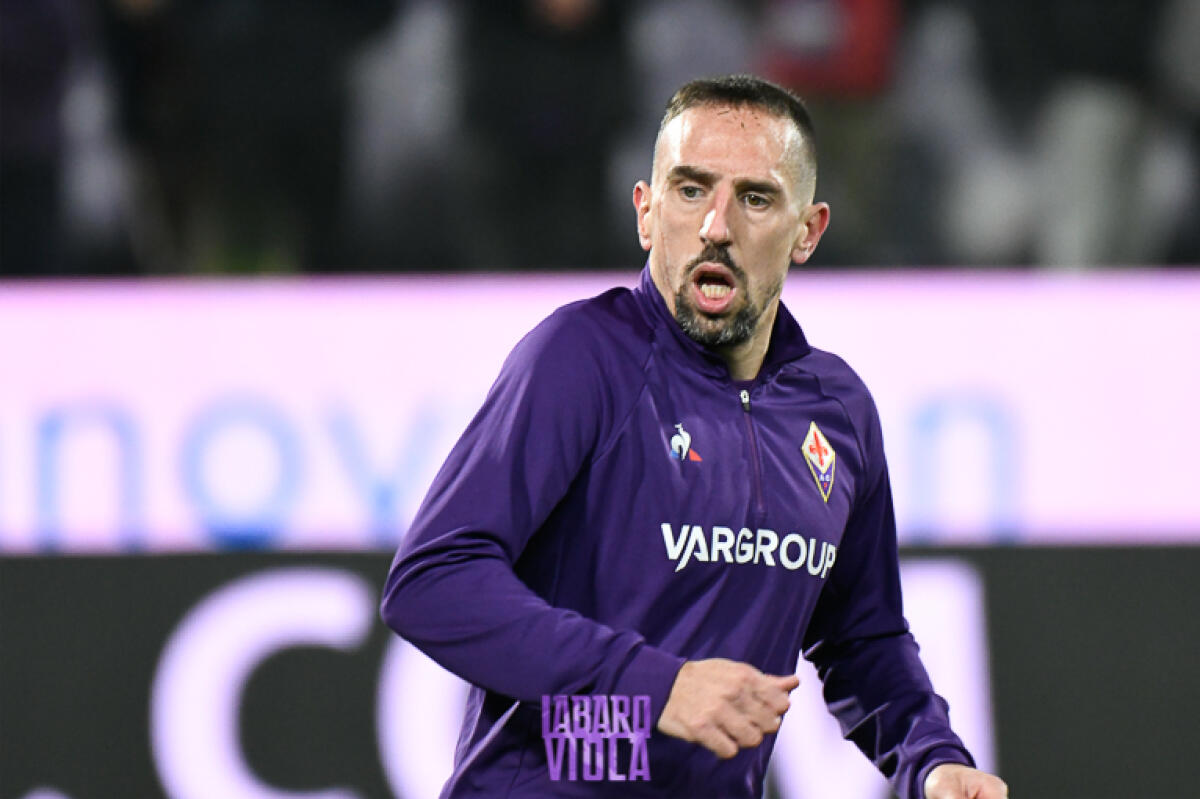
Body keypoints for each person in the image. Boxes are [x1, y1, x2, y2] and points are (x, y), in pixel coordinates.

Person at [380, 74, 1008, 799]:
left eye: (755, 197)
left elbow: (860, 637)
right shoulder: (581, 358)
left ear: (808, 231)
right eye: (690, 189)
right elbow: (432, 579)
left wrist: (931, 757)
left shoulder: (836, 411)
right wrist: (651, 685)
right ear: (646, 213)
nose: (716, 225)